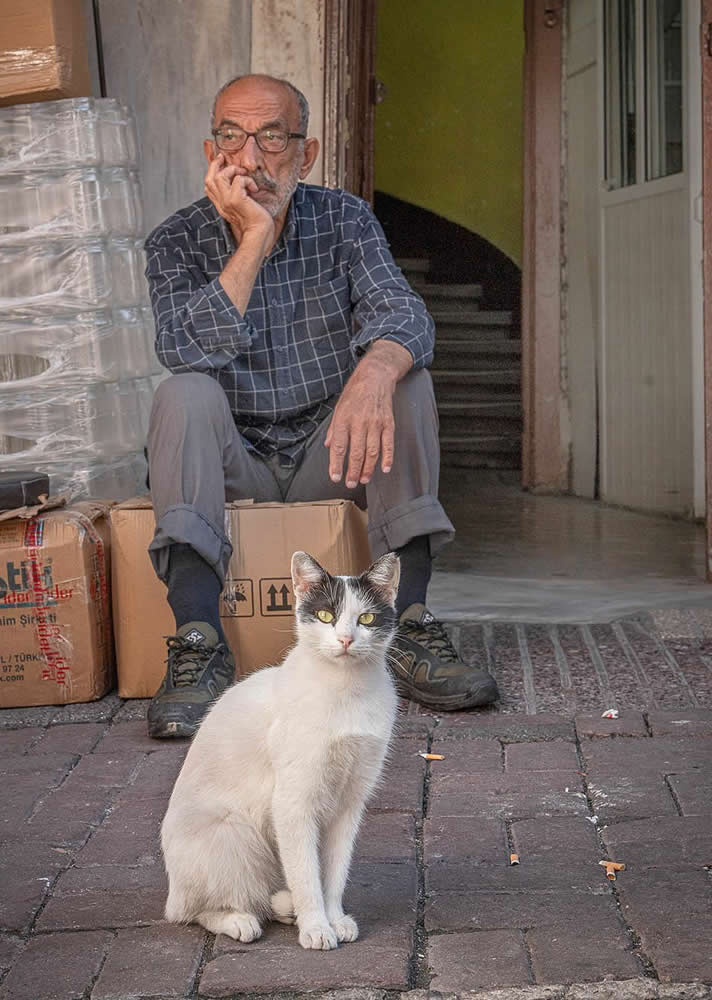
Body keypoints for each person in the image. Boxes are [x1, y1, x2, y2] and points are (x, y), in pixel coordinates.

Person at [143, 73, 499, 738]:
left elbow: (404, 313)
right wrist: (253, 238)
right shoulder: (176, 240)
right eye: (231, 138)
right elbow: (187, 349)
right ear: (210, 152)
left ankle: (412, 627)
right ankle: (198, 642)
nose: (250, 159)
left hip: (327, 453)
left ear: (304, 154)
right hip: (233, 462)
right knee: (183, 393)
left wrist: (377, 366)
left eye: (272, 137)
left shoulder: (344, 220)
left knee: (406, 377)